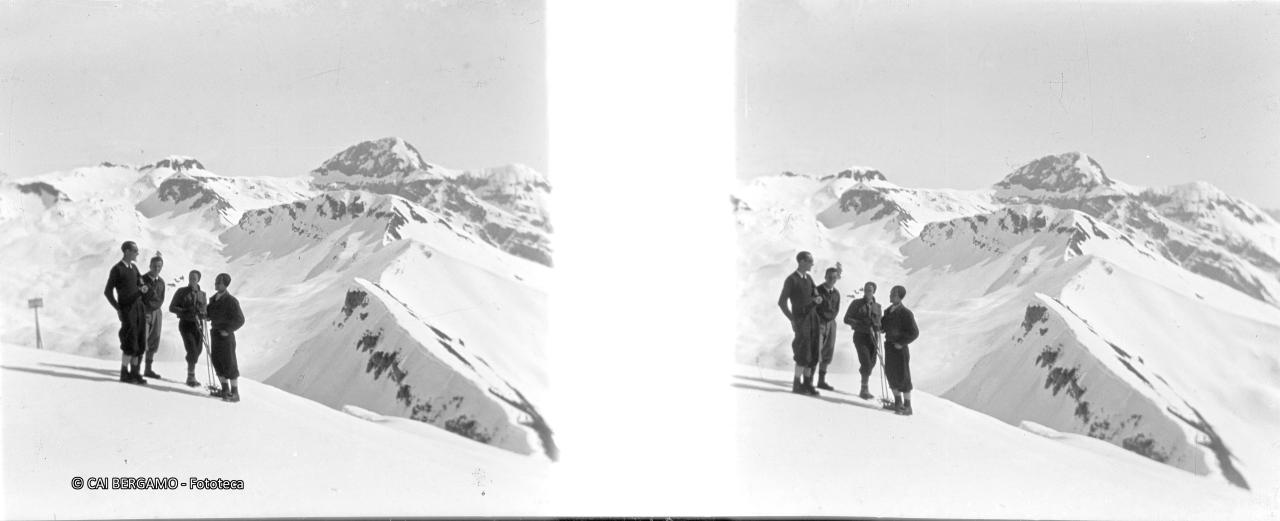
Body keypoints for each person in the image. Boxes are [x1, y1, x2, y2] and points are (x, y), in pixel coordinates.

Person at [103, 241, 151, 384]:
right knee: (130, 341)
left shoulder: (134, 268)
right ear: (127, 251)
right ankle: (125, 373)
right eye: (135, 251)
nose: (137, 254)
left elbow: (140, 282)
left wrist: (143, 288)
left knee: (140, 340)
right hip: (127, 310)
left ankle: (135, 373)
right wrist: (118, 308)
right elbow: (108, 291)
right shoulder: (117, 269)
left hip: (139, 308)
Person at [778, 251, 823, 396]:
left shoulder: (809, 278)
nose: (812, 264)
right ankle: (797, 384)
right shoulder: (791, 280)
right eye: (810, 261)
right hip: (801, 321)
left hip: (813, 319)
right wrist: (792, 318)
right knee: (803, 352)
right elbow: (782, 302)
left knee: (814, 351)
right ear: (802, 261)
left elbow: (815, 293)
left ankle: (807, 384)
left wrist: (817, 298)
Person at [206, 273, 245, 402]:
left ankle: (235, 393)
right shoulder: (213, 299)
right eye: (216, 281)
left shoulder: (231, 301)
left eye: (219, 282)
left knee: (229, 362)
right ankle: (225, 390)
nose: (216, 284)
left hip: (226, 336)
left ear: (225, 284)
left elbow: (240, 319)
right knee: (217, 360)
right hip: (215, 334)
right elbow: (209, 313)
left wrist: (228, 330)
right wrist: (206, 316)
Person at [881, 285, 920, 415]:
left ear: (899, 296)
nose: (890, 295)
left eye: (893, 293)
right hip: (889, 346)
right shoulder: (888, 311)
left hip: (900, 348)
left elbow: (914, 332)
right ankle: (898, 403)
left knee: (903, 375)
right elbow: (883, 326)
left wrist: (901, 343)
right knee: (890, 372)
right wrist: (880, 328)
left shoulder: (906, 313)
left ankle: (908, 406)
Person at [843, 281, 883, 400]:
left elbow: (879, 323)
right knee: (865, 362)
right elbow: (846, 319)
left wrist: (878, 327)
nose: (867, 292)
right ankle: (864, 389)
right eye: (865, 290)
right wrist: (859, 323)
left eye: (869, 290)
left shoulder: (878, 307)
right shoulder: (856, 303)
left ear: (873, 292)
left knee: (872, 363)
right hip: (860, 336)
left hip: (873, 337)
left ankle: (865, 386)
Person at [169, 269, 208, 387]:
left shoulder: (203, 294)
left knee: (198, 350)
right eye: (190, 278)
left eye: (194, 278)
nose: (191, 280)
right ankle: (190, 377)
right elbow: (172, 307)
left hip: (198, 325)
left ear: (198, 280)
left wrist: (203, 314)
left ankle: (192, 374)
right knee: (192, 350)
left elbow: (205, 310)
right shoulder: (181, 292)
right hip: (185, 324)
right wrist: (185, 311)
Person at [813, 264, 842, 391]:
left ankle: (821, 380)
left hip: (831, 324)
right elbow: (813, 307)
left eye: (834, 277)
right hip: (819, 323)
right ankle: (808, 380)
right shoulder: (817, 290)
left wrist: (830, 319)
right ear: (825, 277)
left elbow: (836, 309)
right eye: (829, 277)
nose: (831, 279)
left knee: (828, 350)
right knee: (816, 350)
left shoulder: (836, 293)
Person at [140, 253, 166, 379]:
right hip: (144, 312)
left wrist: (155, 306)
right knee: (142, 339)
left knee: (154, 339)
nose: (156, 269)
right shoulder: (142, 280)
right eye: (154, 266)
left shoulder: (161, 282)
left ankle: (148, 369)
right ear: (150, 266)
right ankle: (135, 369)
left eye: (159, 266)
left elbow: (161, 298)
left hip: (157, 313)